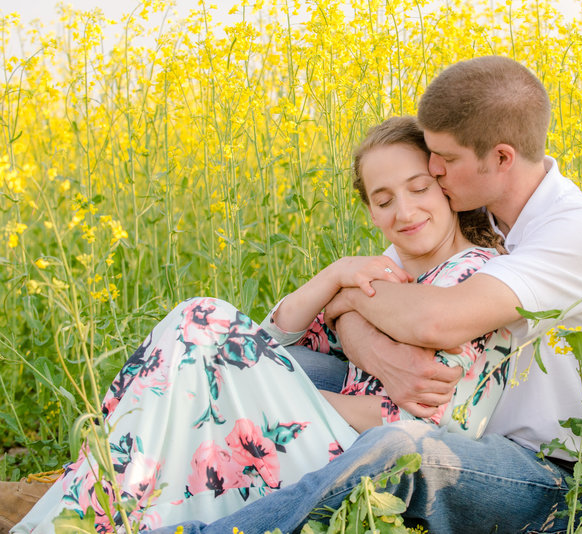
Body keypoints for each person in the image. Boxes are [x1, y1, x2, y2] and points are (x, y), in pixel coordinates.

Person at [152, 55, 582, 533]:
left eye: (447, 160)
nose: (434, 169)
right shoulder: (466, 214)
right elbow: (365, 302)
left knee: (400, 449)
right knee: (239, 365)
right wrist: (374, 346)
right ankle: (134, 496)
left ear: (501, 158)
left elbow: (431, 320)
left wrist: (353, 300)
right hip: (441, 416)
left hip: (545, 470)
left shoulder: (575, 229)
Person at [12, 117, 511, 533]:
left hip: (361, 467)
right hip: (321, 435)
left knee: (203, 325)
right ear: (370, 212)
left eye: (419, 188)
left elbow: (422, 422)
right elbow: (279, 339)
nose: (404, 211)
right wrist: (336, 275)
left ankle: (82, 511)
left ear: (446, 188)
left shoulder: (475, 281)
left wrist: (266, 385)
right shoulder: (384, 271)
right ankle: (97, 508)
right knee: (198, 332)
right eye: (383, 201)